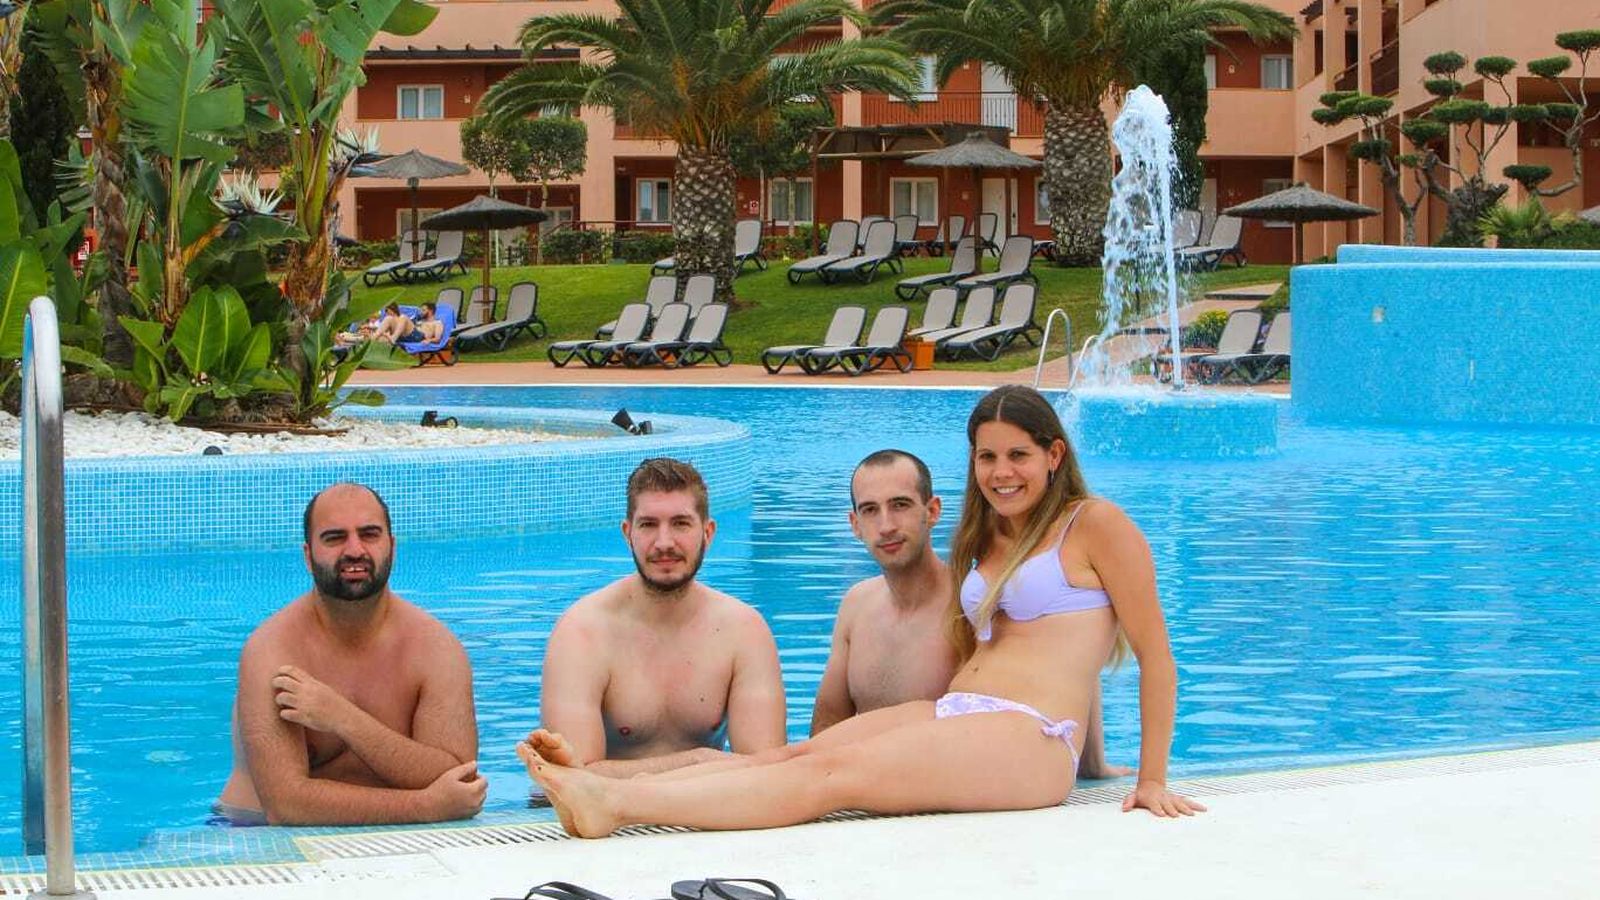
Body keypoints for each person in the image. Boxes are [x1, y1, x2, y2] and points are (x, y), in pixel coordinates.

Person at [518, 385, 1203, 837]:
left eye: (1019, 455)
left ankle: (615, 807)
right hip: (961, 714)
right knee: (800, 754)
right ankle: (597, 783)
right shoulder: (991, 533)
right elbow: (1050, 640)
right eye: (987, 457)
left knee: (829, 781)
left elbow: (1152, 656)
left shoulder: (1097, 524)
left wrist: (1149, 779)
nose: (1002, 472)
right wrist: (1101, 754)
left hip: (1029, 737)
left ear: (1054, 454)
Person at [810, 449, 1129, 779]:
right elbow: (829, 720)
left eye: (900, 505)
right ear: (855, 524)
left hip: (948, 790)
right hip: (857, 782)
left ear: (932, 511)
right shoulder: (857, 604)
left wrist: (1092, 764)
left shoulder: (976, 603)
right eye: (870, 511)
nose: (886, 525)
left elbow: (1068, 659)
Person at [215, 483, 485, 826]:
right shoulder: (273, 650)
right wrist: (425, 806)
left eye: (369, 534)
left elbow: (458, 781)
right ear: (307, 556)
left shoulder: (435, 649)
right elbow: (286, 805)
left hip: (395, 836)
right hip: (254, 834)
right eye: (335, 538)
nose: (355, 550)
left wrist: (342, 718)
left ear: (393, 547)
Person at [525, 458, 786, 778]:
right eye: (649, 524)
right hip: (608, 821)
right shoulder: (583, 632)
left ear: (708, 532)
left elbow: (767, 771)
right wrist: (698, 762)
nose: (664, 543)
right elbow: (571, 780)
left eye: (680, 523)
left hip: (705, 811)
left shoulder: (743, 631)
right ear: (627, 533)